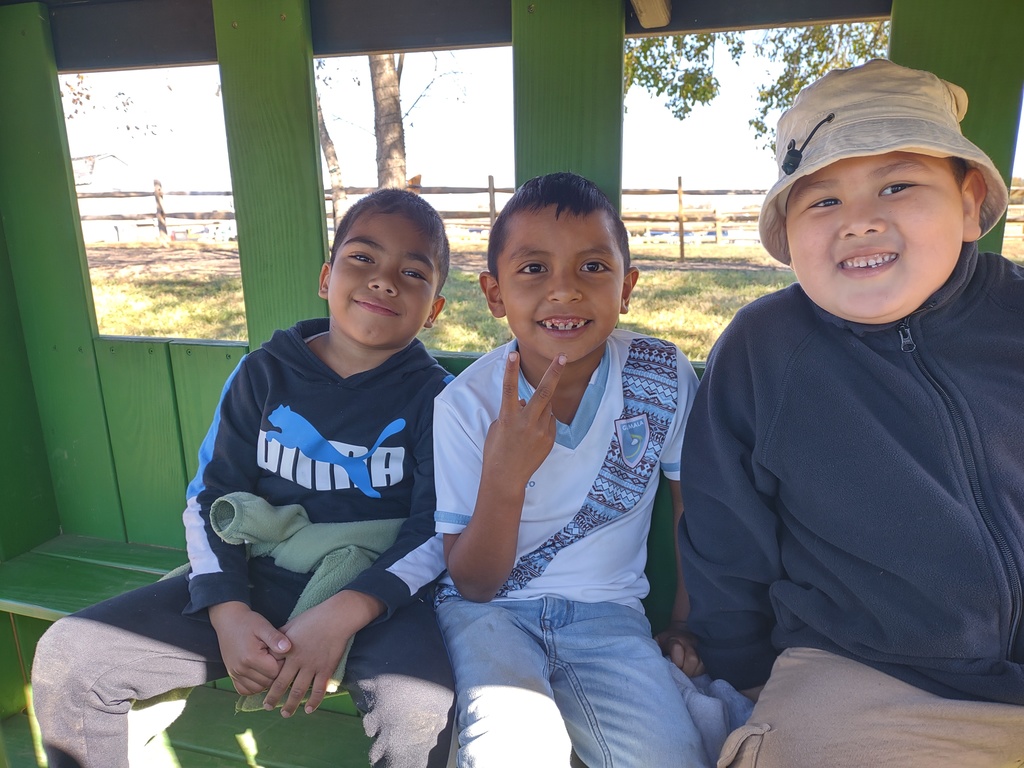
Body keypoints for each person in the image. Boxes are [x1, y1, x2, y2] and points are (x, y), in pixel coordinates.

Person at [32, 188, 457, 768]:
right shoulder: (263, 373)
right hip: (258, 573)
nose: (384, 281)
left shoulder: (437, 398)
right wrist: (227, 609)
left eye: (413, 272)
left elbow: (437, 529)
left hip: (377, 591)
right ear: (326, 276)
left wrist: (345, 612)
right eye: (363, 258)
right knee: (72, 657)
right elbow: (211, 497)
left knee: (424, 711)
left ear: (433, 309)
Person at [678, 59, 1024, 768]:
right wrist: (742, 665)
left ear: (969, 202)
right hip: (862, 670)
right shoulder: (766, 348)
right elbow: (724, 525)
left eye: (898, 185)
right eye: (823, 201)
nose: (860, 220)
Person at [432, 171, 710, 767]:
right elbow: (475, 584)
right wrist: (504, 476)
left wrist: (686, 626)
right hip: (490, 615)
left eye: (592, 267)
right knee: (511, 751)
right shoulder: (464, 406)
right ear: (494, 293)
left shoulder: (660, 375)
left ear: (627, 285)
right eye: (533, 269)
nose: (564, 291)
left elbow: (694, 512)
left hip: (609, 618)